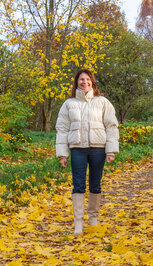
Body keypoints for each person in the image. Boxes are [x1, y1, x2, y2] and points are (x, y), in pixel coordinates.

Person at [55, 69, 119, 235]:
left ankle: (93, 220)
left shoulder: (102, 102)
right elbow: (62, 129)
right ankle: (78, 223)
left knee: (95, 184)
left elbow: (111, 126)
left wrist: (111, 150)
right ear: (77, 82)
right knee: (78, 185)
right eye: (81, 80)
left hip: (98, 148)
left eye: (87, 79)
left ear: (92, 82)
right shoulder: (69, 104)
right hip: (77, 149)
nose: (84, 82)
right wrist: (62, 154)